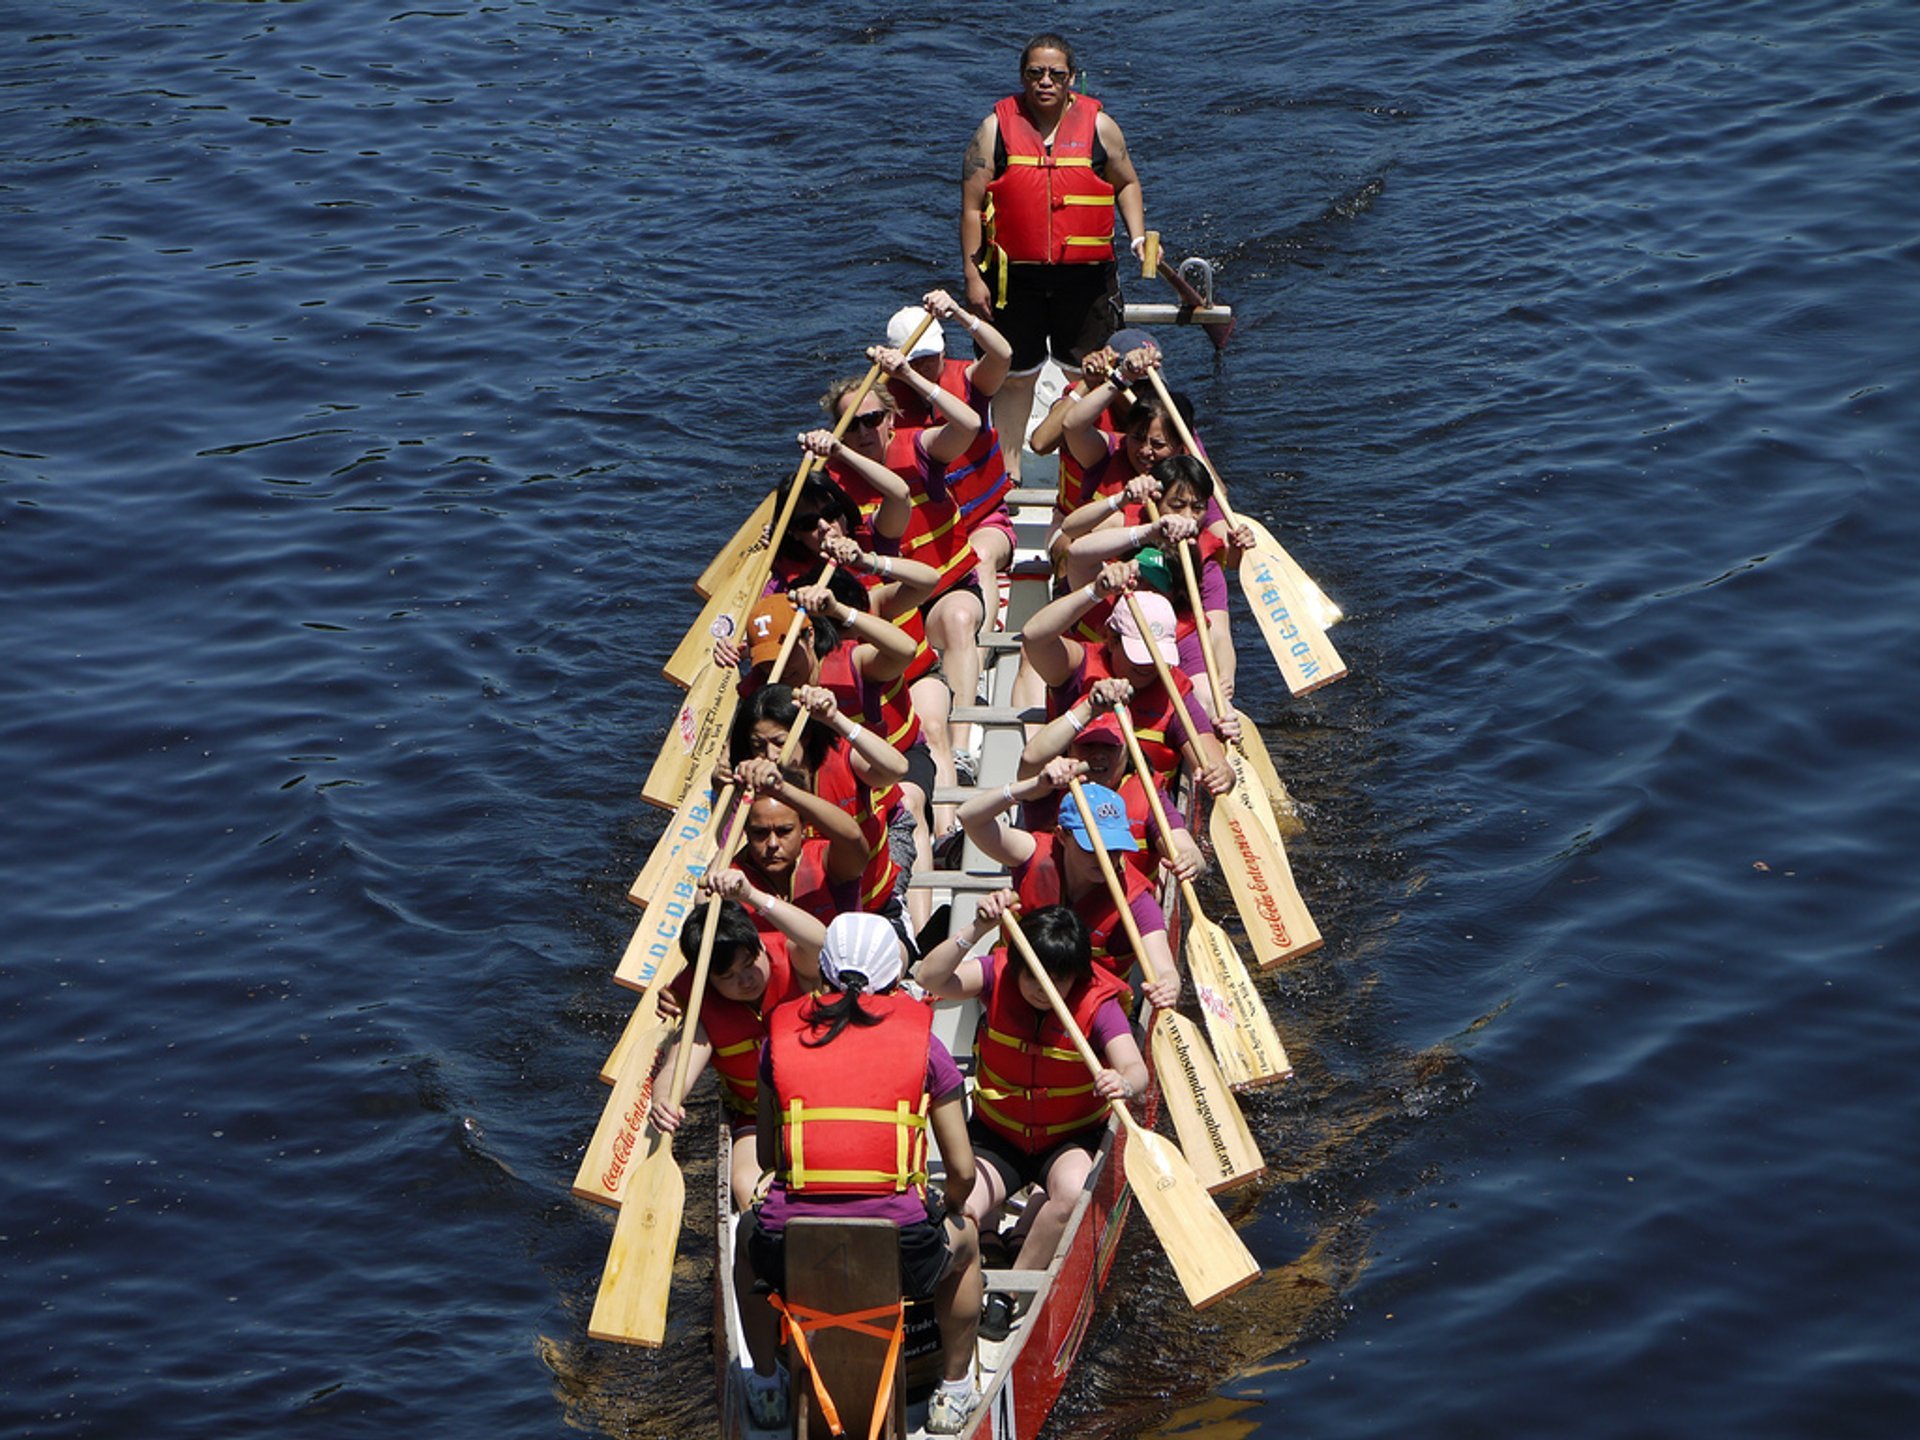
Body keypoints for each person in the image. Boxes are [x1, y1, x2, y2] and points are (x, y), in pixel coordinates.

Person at [740, 913, 984, 1434]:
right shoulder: (927, 1047)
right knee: (967, 1243)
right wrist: (949, 1204)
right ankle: (955, 1389)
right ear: (894, 981)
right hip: (903, 1248)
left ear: (823, 975)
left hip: (791, 1247)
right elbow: (962, 1170)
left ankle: (764, 1384)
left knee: (744, 1234)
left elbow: (767, 1158)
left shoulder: (776, 1041)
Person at [915, 892, 1146, 1312]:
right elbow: (929, 978)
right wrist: (978, 929)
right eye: (1034, 978)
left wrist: (1122, 1082)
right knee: (961, 1206)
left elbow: (1136, 1068)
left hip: (1068, 1139)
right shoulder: (996, 973)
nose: (1044, 990)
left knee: (1074, 1192)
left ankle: (1006, 1295)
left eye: (1059, 980)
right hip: (997, 1133)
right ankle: (971, 1270)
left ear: (1076, 976)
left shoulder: (1100, 1002)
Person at [961, 33, 1147, 479]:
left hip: (1085, 280)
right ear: (1023, 76)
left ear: (1071, 78)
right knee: (1014, 375)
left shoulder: (1101, 127)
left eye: (1055, 74)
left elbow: (1127, 183)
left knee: (1089, 371)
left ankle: (1087, 464)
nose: (1045, 81)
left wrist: (1137, 236)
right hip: (1012, 279)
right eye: (1035, 73)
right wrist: (973, 276)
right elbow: (971, 206)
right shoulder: (994, 130)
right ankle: (1008, 476)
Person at [649, 874, 825, 1209]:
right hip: (758, 1116)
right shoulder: (702, 1007)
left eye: (749, 964)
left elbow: (822, 942)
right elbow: (677, 1069)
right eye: (727, 977)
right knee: (747, 1186)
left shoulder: (793, 959)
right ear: (709, 980)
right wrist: (663, 1100)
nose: (745, 981)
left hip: (821, 1103)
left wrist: (753, 895)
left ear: (759, 946)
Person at [956, 757, 1181, 1009]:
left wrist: (1168, 984)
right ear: (1062, 836)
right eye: (1091, 847)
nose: (1105, 858)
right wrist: (1033, 786)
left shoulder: (1136, 900)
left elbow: (1165, 970)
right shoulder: (1035, 853)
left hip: (1087, 1018)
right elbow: (968, 817)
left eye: (1114, 848)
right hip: (1015, 993)